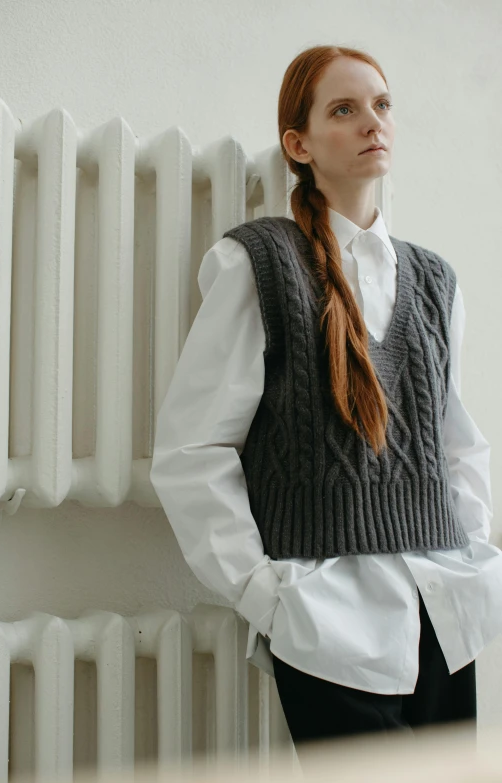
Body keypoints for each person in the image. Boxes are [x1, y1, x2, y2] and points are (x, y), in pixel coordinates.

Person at [150, 45, 502, 752]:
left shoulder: (435, 280)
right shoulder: (258, 264)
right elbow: (192, 448)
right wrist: (265, 595)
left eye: (381, 104)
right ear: (299, 143)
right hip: (329, 622)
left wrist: (477, 552)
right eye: (344, 109)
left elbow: (457, 440)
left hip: (445, 607)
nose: (372, 121)